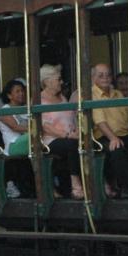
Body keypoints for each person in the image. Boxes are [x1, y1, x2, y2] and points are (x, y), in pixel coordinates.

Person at [91, 62, 128, 200]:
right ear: (94, 78)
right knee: (117, 149)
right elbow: (100, 121)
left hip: (125, 134)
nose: (105, 78)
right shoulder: (91, 95)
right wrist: (113, 137)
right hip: (104, 136)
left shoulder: (117, 93)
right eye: (101, 76)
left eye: (108, 75)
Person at [39, 64, 83, 199]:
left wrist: (76, 132)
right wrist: (67, 135)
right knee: (72, 145)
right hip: (50, 141)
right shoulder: (39, 100)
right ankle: (76, 184)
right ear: (47, 81)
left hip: (69, 137)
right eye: (58, 79)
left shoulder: (62, 97)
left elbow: (70, 119)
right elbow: (45, 126)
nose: (62, 82)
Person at [0, 79, 31, 199]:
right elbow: (15, 127)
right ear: (9, 95)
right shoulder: (5, 109)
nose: (21, 93)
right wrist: (34, 129)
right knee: (34, 138)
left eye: (22, 91)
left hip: (26, 141)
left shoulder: (25, 109)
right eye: (17, 91)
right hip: (13, 145)